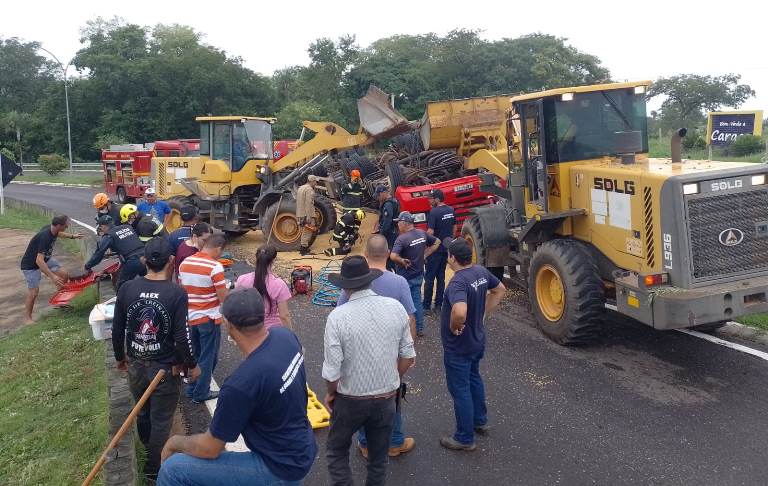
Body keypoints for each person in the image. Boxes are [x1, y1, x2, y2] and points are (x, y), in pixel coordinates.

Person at [158, 288, 317, 486]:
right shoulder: (285, 336)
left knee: (173, 469)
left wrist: (174, 442)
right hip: (302, 447)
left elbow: (210, 448)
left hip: (278, 468)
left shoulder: (241, 384)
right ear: (262, 315)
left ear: (227, 324)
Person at [323, 255, 416, 486]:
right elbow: (408, 355)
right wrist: (393, 377)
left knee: (336, 450)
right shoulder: (395, 308)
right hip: (386, 398)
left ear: (344, 286)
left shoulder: (338, 317)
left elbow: (332, 371)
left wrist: (331, 393)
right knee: (378, 458)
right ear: (370, 281)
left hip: (350, 399)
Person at [112, 237, 200, 481]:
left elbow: (118, 329)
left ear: (144, 260)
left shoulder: (127, 288)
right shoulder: (176, 293)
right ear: (171, 261)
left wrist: (121, 358)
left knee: (143, 412)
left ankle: (148, 453)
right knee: (161, 419)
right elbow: (183, 336)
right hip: (164, 371)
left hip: (137, 365)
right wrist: (192, 364)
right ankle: (154, 468)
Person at [337, 235, 416, 459]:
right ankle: (395, 441)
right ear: (388, 252)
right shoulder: (399, 282)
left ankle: (365, 443)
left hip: (360, 351)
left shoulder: (353, 283)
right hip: (391, 352)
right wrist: (409, 352)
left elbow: (340, 315)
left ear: (365, 254)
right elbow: (411, 318)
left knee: (363, 395)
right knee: (393, 395)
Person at [439, 237, 506, 452]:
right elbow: (500, 289)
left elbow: (459, 311)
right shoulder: (480, 272)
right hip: (477, 340)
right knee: (474, 378)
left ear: (453, 258)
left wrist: (454, 325)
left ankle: (464, 438)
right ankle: (480, 420)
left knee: (460, 390)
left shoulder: (458, 282)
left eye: (449, 255)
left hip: (459, 346)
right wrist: (484, 314)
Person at [178, 234, 229, 403]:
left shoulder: (186, 263)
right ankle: (201, 393)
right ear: (218, 248)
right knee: (208, 358)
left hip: (189, 318)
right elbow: (223, 298)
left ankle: (192, 389)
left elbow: (182, 288)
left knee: (196, 356)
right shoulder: (215, 267)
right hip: (208, 319)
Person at [20, 215, 82, 324]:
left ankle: (60, 303)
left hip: (46, 259)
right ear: (59, 225)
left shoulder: (52, 228)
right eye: (65, 226)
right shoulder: (45, 237)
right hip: (31, 265)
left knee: (64, 275)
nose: (67, 227)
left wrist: (72, 236)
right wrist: (52, 276)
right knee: (34, 292)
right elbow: (39, 261)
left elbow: (59, 233)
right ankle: (27, 318)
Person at [390, 211, 441, 337]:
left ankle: (404, 330)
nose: (397, 225)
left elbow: (393, 256)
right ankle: (419, 328)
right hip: (418, 275)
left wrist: (402, 261)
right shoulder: (421, 233)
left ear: (404, 223)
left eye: (399, 223)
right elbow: (438, 242)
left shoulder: (401, 239)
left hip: (404, 278)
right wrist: (425, 255)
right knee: (417, 301)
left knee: (402, 303)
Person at [235, 245, 293, 330]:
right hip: (272, 330)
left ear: (256, 258)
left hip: (249, 329)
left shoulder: (242, 279)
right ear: (274, 260)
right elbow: (284, 315)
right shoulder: (279, 284)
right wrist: (290, 334)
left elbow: (238, 306)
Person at [85, 214, 147, 290]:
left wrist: (87, 266)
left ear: (103, 226)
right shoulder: (127, 227)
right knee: (148, 281)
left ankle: (125, 300)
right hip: (146, 257)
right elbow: (129, 244)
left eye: (101, 227)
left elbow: (99, 253)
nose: (101, 230)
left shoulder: (109, 236)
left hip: (133, 261)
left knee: (121, 286)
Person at [423, 189, 456, 314]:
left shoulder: (434, 212)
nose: (429, 201)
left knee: (430, 278)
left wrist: (424, 245)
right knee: (441, 278)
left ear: (437, 199)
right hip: (445, 250)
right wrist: (449, 241)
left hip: (434, 251)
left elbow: (430, 232)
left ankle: (426, 306)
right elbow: (454, 227)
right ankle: (438, 306)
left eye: (431, 198)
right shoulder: (451, 210)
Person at [296, 174, 319, 256]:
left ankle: (303, 248)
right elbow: (308, 204)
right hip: (307, 214)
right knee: (308, 231)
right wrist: (309, 217)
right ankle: (304, 250)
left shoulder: (301, 188)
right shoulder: (309, 190)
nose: (316, 183)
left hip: (300, 213)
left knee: (304, 231)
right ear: (312, 181)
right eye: (315, 182)